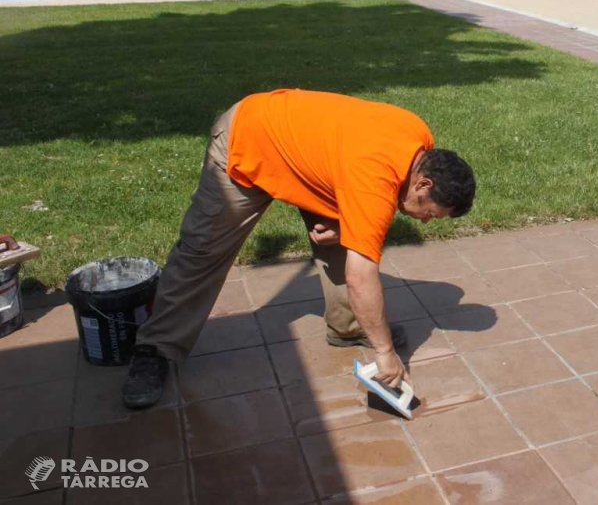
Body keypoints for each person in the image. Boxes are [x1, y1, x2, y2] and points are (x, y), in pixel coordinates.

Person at [122, 89, 476, 409]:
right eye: (430, 213)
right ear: (423, 182)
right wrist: (385, 353)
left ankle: (349, 326)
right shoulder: (375, 178)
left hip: (316, 159)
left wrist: (347, 226)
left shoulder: (419, 142)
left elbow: (350, 168)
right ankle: (155, 348)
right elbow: (361, 275)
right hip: (249, 140)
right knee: (202, 251)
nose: (427, 221)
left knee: (351, 236)